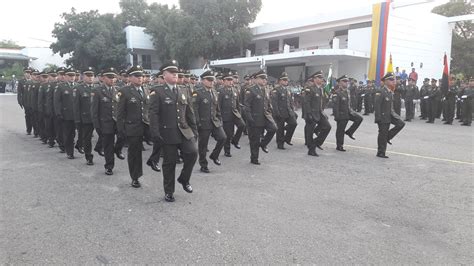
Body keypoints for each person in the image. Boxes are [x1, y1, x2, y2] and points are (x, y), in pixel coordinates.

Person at [149, 60, 198, 202]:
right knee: (169, 163)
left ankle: (184, 179)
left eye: (176, 73)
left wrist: (194, 131)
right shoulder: (157, 91)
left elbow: (189, 112)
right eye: (172, 73)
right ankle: (169, 191)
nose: (175, 75)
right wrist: (155, 133)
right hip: (167, 133)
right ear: (164, 76)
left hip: (184, 130)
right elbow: (153, 114)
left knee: (193, 152)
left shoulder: (183, 90)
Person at [117, 65, 147, 188]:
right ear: (130, 78)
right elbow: (120, 113)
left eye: (141, 76)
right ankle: (135, 177)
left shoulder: (146, 89)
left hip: (145, 126)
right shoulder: (124, 91)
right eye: (137, 76)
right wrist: (121, 131)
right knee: (134, 153)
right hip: (132, 127)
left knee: (140, 151)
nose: (140, 78)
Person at [192, 70, 226, 173]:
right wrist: (198, 123)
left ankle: (214, 155)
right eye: (209, 80)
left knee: (223, 137)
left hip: (214, 121)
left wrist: (219, 119)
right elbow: (194, 109)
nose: (211, 82)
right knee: (203, 145)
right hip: (203, 123)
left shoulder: (214, 92)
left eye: (213, 80)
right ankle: (203, 164)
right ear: (203, 81)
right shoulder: (197, 93)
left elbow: (217, 107)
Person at [243, 70, 277, 165]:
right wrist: (249, 118)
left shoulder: (266, 89)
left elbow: (267, 103)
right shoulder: (251, 90)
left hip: (265, 116)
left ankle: (263, 144)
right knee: (254, 139)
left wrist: (270, 112)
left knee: (273, 128)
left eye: (265, 79)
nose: (264, 80)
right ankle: (254, 158)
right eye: (262, 79)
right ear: (257, 79)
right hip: (255, 118)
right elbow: (247, 106)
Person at [91, 68, 120, 175]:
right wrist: (97, 126)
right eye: (109, 77)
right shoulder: (98, 91)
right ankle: (109, 166)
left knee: (122, 139)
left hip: (117, 123)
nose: (112, 80)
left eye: (113, 78)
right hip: (105, 123)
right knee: (108, 145)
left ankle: (117, 150)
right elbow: (94, 111)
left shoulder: (117, 90)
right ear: (103, 78)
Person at [374, 72, 405, 158]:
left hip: (390, 114)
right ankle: (381, 152)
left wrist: (395, 115)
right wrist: (378, 118)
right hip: (383, 116)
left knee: (401, 124)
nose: (393, 81)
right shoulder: (381, 91)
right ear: (385, 81)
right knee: (382, 133)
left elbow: (390, 107)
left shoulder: (390, 92)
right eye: (391, 80)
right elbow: (377, 105)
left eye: (393, 79)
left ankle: (388, 137)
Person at [302, 70, 331, 156]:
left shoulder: (320, 89)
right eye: (319, 77)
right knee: (309, 132)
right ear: (314, 79)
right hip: (312, 113)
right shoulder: (309, 89)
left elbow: (321, 102)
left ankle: (316, 143)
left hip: (319, 112)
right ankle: (311, 150)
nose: (321, 79)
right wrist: (308, 114)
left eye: (322, 77)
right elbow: (306, 102)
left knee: (327, 127)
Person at [332, 75, 363, 151]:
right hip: (342, 114)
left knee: (359, 119)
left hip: (349, 112)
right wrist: (337, 117)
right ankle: (339, 145)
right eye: (344, 81)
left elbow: (348, 103)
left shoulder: (347, 91)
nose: (346, 83)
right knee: (340, 130)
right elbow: (335, 106)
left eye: (347, 81)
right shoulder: (337, 93)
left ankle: (349, 132)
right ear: (339, 83)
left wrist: (352, 110)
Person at [218, 71, 245, 157]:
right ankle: (227, 150)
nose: (230, 81)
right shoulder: (220, 92)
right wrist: (220, 118)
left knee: (242, 125)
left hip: (235, 114)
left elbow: (237, 104)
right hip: (226, 115)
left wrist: (239, 114)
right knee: (229, 134)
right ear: (223, 81)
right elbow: (218, 106)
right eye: (228, 80)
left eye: (231, 80)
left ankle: (235, 141)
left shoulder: (235, 90)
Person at [73, 67, 96, 165]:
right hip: (85, 117)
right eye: (88, 76)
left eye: (92, 76)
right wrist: (77, 119)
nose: (90, 78)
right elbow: (76, 105)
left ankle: (80, 144)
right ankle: (88, 156)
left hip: (97, 117)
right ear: (83, 77)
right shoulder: (78, 88)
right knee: (87, 138)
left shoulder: (97, 87)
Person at [270, 72, 297, 150]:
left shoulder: (288, 89)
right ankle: (280, 143)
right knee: (280, 129)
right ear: (279, 81)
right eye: (284, 80)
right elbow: (274, 103)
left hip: (288, 111)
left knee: (293, 123)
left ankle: (287, 139)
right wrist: (277, 113)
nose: (286, 81)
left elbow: (290, 101)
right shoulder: (276, 90)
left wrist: (292, 109)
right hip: (280, 112)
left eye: (286, 80)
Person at [54, 68, 77, 159]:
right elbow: (57, 101)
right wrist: (58, 113)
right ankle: (69, 152)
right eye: (70, 76)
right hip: (66, 115)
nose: (72, 77)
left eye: (73, 75)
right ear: (66, 76)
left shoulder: (78, 86)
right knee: (68, 134)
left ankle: (74, 146)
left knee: (74, 134)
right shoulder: (60, 87)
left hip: (77, 115)